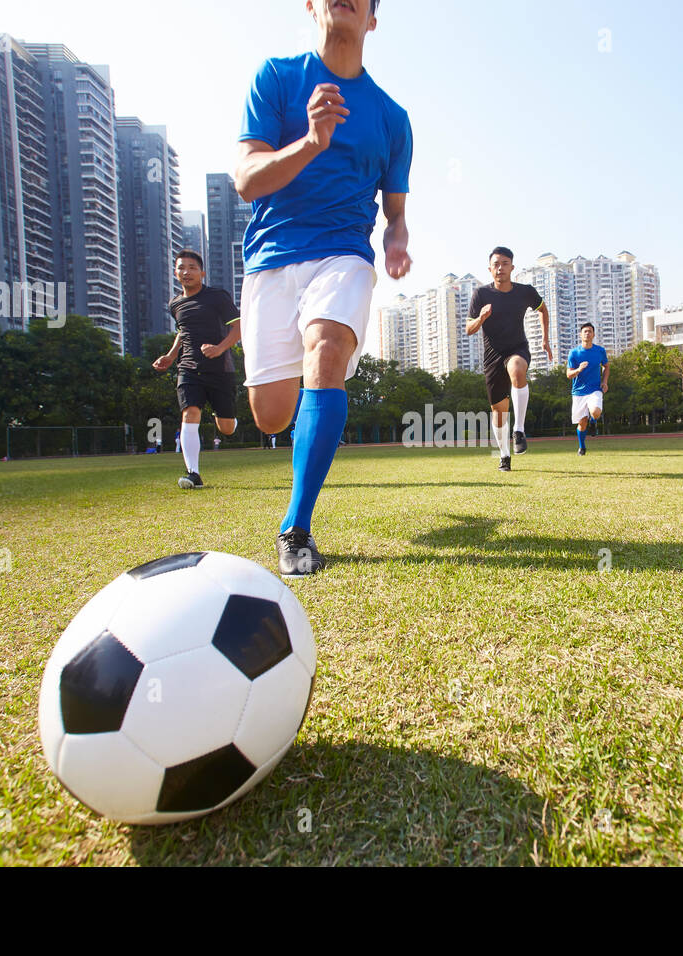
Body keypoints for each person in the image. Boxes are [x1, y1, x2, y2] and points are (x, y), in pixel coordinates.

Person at [205, 0, 412, 577]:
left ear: (373, 17)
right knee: (270, 415)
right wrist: (312, 142)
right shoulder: (275, 78)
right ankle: (299, 423)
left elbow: (394, 214)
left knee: (327, 350)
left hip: (345, 253)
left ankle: (296, 527)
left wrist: (396, 239)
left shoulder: (392, 118)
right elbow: (247, 181)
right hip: (272, 258)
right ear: (311, 6)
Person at [153, 250, 240, 489]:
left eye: (192, 267)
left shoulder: (217, 297)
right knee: (189, 412)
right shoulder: (175, 303)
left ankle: (224, 415)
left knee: (227, 428)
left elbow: (238, 328)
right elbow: (183, 331)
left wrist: (220, 348)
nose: (186, 272)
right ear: (175, 272)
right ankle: (194, 474)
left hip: (220, 369)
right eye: (181, 267)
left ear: (202, 272)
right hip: (189, 368)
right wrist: (171, 356)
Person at [466, 246, 550, 471]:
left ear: (512, 267)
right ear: (489, 269)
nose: (500, 268)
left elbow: (543, 310)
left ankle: (519, 430)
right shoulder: (481, 295)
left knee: (517, 370)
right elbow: (468, 329)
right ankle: (504, 455)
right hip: (492, 357)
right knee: (498, 412)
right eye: (496, 264)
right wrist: (481, 317)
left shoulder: (525, 292)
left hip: (517, 348)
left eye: (504, 263)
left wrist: (545, 339)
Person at [566, 322, 608, 456]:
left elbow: (606, 366)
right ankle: (582, 447)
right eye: (585, 331)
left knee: (595, 411)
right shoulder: (574, 353)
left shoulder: (600, 351)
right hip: (578, 392)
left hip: (595, 389)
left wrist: (605, 382)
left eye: (590, 331)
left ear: (594, 334)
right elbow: (568, 374)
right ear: (580, 334)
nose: (587, 333)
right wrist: (579, 369)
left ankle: (594, 421)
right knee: (582, 423)